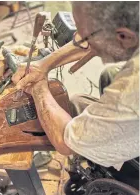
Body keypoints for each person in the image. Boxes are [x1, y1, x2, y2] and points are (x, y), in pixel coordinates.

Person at [12, 1, 139, 183]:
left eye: (86, 37)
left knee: (76, 115)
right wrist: (42, 66)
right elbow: (89, 43)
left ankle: (126, 175)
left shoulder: (131, 87)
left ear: (125, 37)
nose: (80, 41)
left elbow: (65, 142)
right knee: (108, 75)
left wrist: (39, 87)